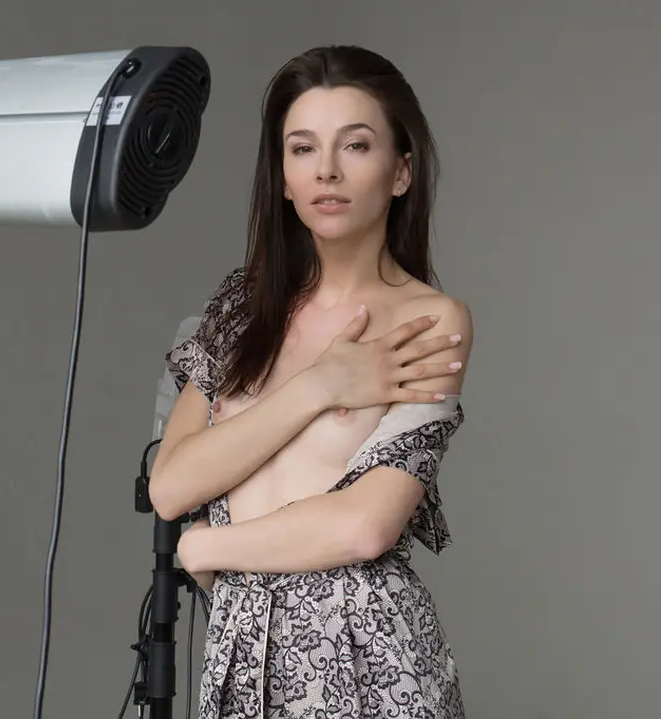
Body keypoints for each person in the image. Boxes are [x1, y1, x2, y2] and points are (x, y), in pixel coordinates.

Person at [149, 44, 473, 719]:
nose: (326, 170)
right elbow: (172, 484)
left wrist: (206, 546)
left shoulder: (428, 321)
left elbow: (365, 525)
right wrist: (321, 385)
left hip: (366, 653)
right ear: (284, 179)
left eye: (355, 145)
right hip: (240, 653)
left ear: (401, 171)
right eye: (302, 149)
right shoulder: (239, 309)